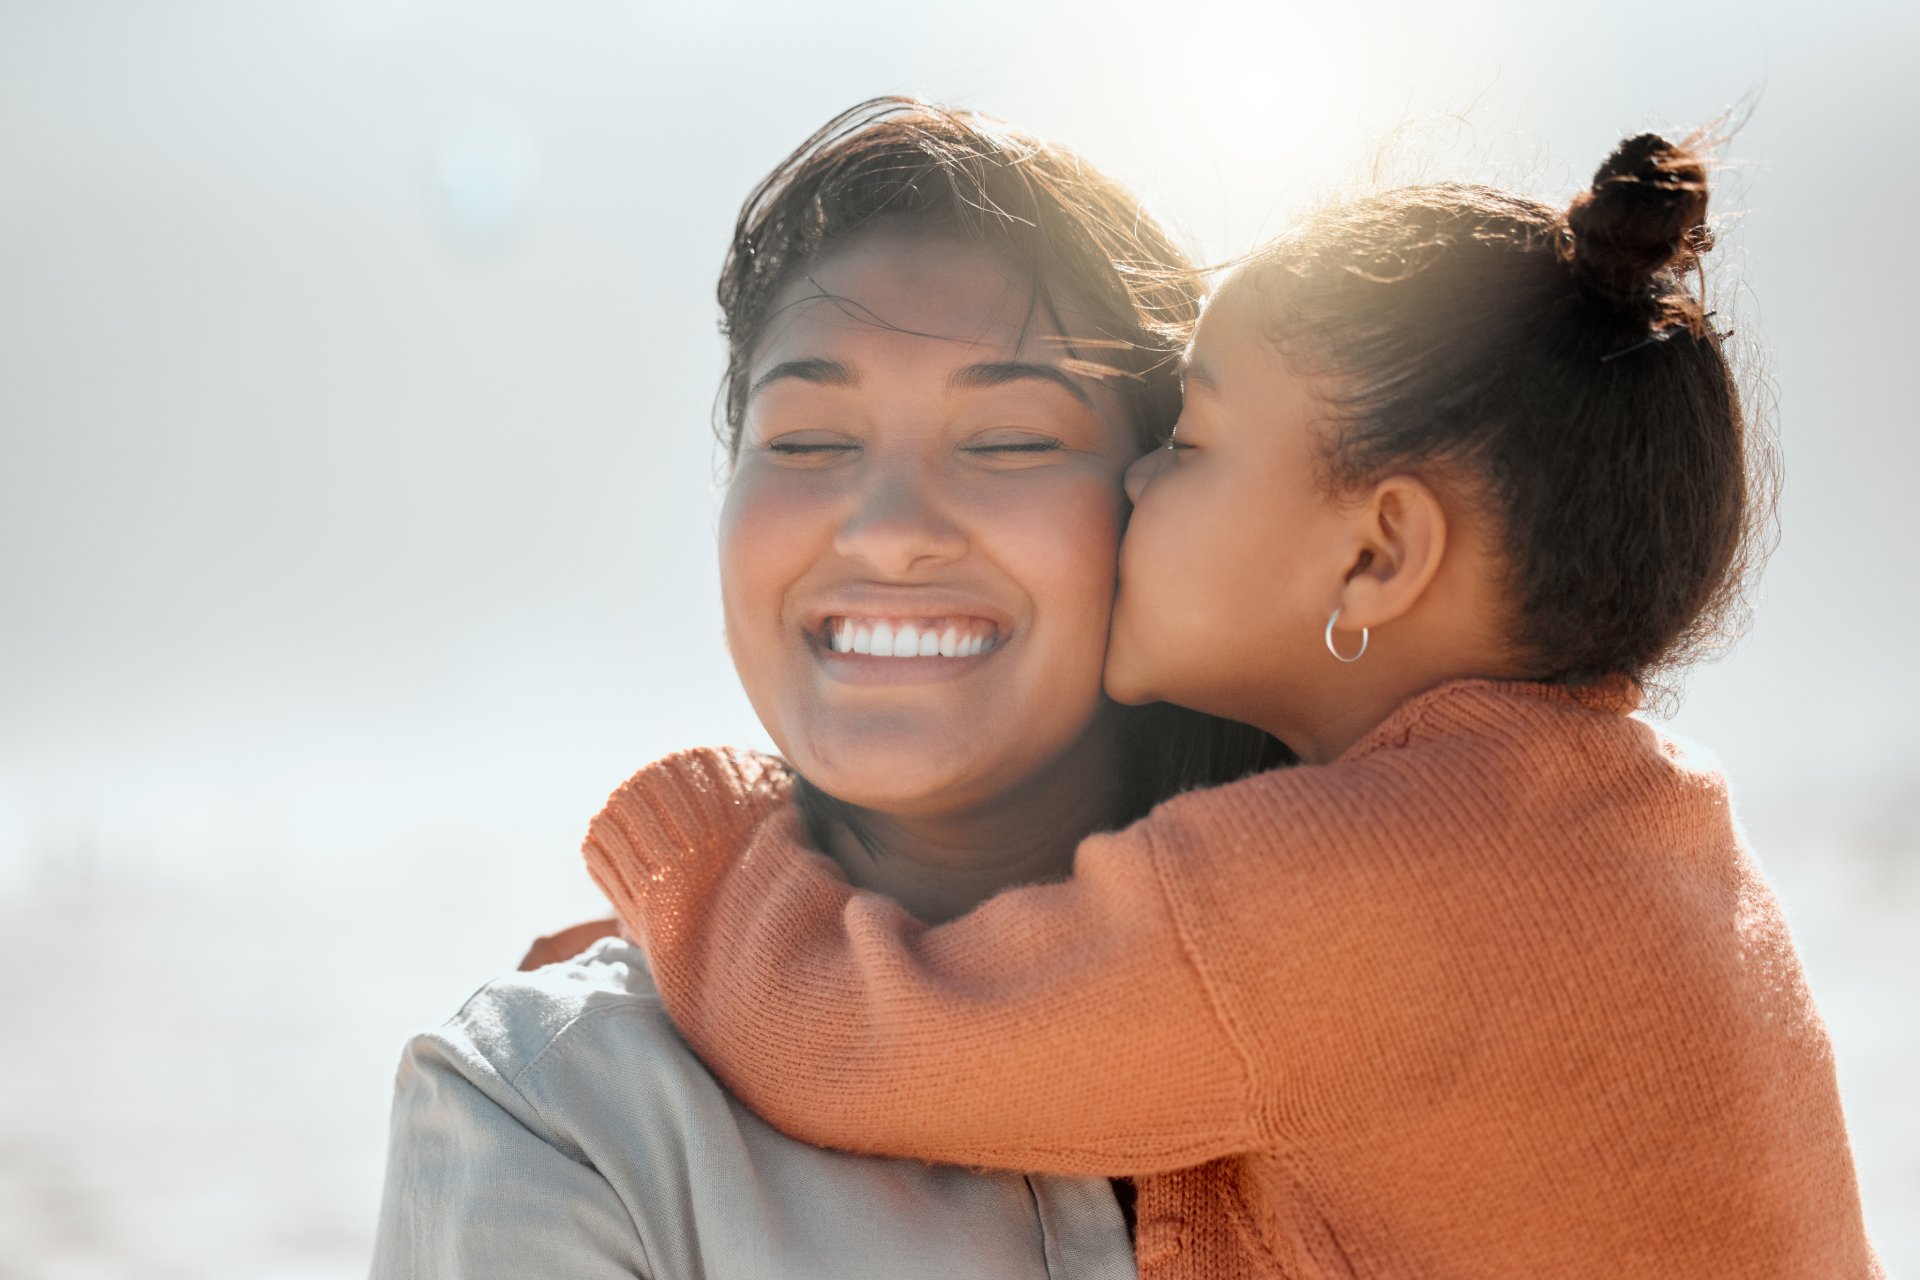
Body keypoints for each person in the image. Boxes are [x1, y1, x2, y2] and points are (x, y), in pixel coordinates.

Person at [584, 135, 1884, 1277]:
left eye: (1192, 444)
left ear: (1377, 555)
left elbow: (865, 1038)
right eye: (808, 442)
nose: (1138, 482)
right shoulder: (1649, 827)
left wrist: (695, 854)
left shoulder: (1341, 897)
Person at [369, 97, 1282, 1279]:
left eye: (1006, 441)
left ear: (1159, 505)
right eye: (805, 441)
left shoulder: (1411, 993)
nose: (892, 530)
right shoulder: (562, 1107)